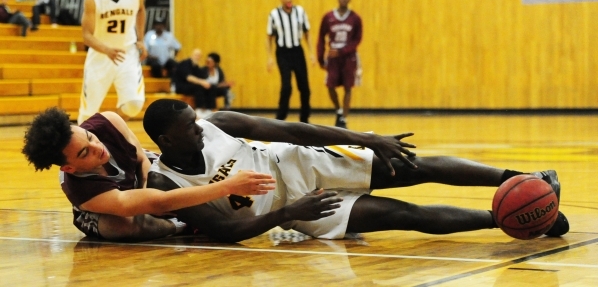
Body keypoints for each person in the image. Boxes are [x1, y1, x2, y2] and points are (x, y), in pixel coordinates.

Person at [143, 99, 569, 243]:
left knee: (412, 167)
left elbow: (293, 129)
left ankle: (524, 179)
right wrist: (287, 216)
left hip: (299, 162)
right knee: (402, 215)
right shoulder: (167, 181)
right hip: (295, 208)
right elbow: (224, 232)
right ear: (166, 140)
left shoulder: (218, 122)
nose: (199, 130)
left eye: (197, 121)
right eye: (188, 128)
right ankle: (517, 220)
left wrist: (365, 138)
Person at [22, 107, 276, 241]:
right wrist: (228, 186)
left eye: (90, 137)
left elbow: (143, 158)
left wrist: (156, 184)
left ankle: (186, 215)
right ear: (68, 168)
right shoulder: (82, 191)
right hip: (118, 208)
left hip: (146, 177)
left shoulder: (107, 121)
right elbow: (156, 202)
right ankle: (180, 227)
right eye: (85, 153)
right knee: (122, 227)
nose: (98, 148)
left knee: (171, 181)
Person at [78, 0, 148, 125]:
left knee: (134, 104)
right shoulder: (93, 0)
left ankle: (107, 127)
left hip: (127, 53)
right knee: (88, 113)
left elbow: (141, 10)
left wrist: (141, 39)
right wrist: (107, 50)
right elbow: (86, 36)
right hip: (100, 57)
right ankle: (84, 140)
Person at [266, 0, 315, 123]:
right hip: (282, 53)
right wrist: (269, 57)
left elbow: (307, 33)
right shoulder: (274, 14)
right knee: (286, 86)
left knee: (304, 87)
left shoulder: (300, 11)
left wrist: (311, 53)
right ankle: (280, 118)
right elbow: (269, 37)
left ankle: (304, 119)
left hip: (297, 51)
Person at [317, 0, 363, 129]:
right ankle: (338, 110)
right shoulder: (328, 17)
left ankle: (343, 118)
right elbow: (321, 37)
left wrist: (342, 51)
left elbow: (357, 40)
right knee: (330, 85)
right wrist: (320, 57)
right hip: (333, 58)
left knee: (348, 87)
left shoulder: (355, 18)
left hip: (349, 58)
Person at [171, 48, 211, 116]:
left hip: (189, 86)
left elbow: (202, 76)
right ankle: (199, 110)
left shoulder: (196, 66)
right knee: (198, 88)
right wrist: (202, 82)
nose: (197, 57)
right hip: (180, 86)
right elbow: (189, 78)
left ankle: (209, 108)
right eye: (196, 55)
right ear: (192, 55)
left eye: (199, 56)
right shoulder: (185, 64)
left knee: (210, 88)